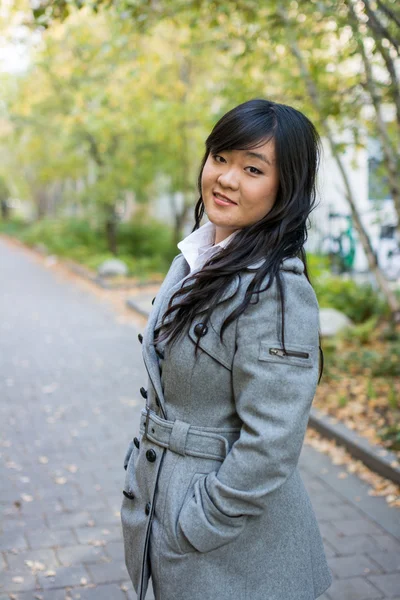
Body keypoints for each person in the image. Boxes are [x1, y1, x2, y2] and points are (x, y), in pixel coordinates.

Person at [121, 98, 333, 600]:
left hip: (232, 551)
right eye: (220, 158)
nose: (227, 179)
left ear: (286, 188)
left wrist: (201, 520)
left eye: (253, 168)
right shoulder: (197, 257)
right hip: (166, 508)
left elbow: (273, 441)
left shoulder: (277, 292)